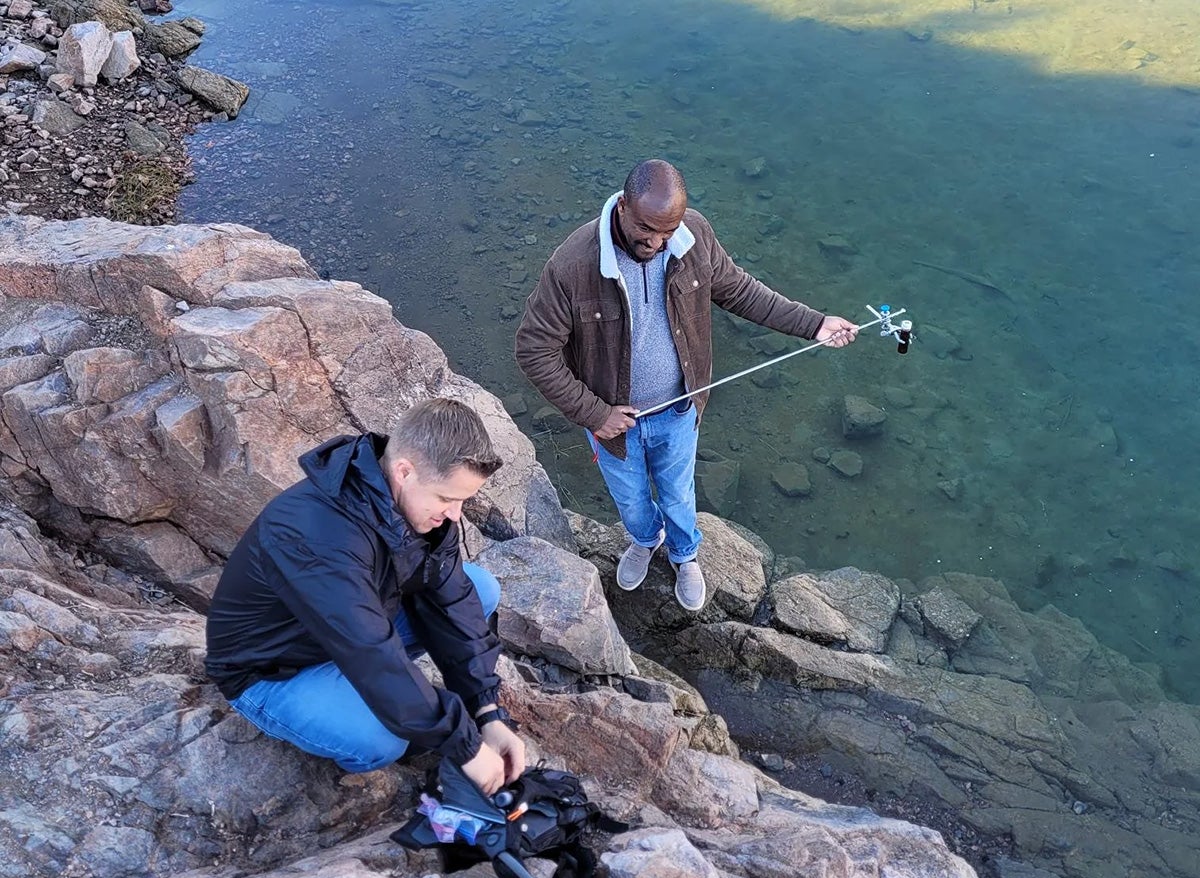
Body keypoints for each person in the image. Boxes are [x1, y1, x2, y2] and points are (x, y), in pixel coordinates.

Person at [515, 159, 859, 611]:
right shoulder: (572, 265)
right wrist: (595, 414)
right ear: (623, 207)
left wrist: (814, 324)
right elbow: (533, 350)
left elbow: (740, 291)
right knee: (632, 501)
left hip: (679, 411)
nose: (657, 244)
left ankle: (684, 554)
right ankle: (644, 540)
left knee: (679, 494)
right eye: (647, 230)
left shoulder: (692, 235)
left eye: (667, 232)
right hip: (613, 425)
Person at [205, 398, 525, 796]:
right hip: (273, 669)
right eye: (446, 498)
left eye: (463, 500)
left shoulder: (413, 506)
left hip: (356, 626)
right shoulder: (315, 533)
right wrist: (464, 745)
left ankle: (382, 700)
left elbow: (451, 601)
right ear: (404, 471)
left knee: (479, 589)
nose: (456, 515)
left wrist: (486, 712)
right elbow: (369, 651)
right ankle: (345, 706)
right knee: (381, 743)